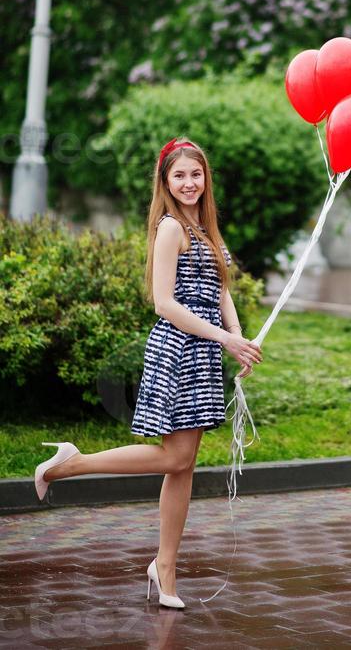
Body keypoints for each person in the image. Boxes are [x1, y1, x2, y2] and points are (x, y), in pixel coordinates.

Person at [33, 137, 263, 609]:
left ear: (206, 178)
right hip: (179, 349)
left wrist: (240, 338)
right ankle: (72, 464)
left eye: (195, 174)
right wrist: (224, 338)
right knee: (174, 459)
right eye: (179, 176)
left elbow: (221, 291)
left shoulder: (208, 230)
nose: (189, 183)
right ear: (165, 182)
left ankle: (166, 567)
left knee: (184, 466)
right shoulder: (170, 229)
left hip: (206, 352)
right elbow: (164, 302)